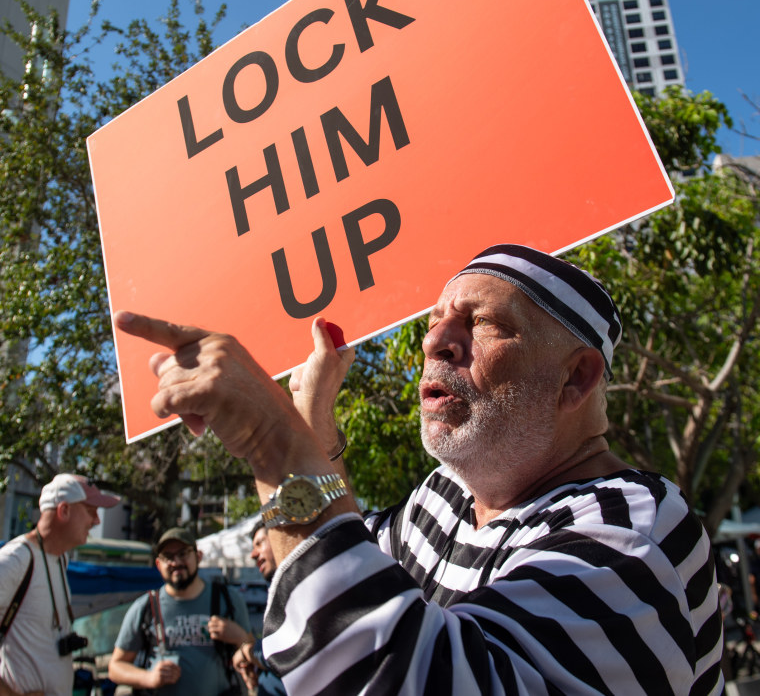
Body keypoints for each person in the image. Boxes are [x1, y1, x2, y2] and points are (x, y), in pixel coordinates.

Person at [116, 243, 724, 694]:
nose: (436, 342)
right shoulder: (444, 497)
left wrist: (274, 441)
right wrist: (311, 427)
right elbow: (335, 570)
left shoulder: (632, 526)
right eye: (436, 321)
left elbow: (393, 670)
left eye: (481, 322)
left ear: (576, 376)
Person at [0, 473, 120, 696]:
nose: (97, 521)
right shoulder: (15, 561)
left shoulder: (59, 558)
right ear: (64, 511)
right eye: (91, 511)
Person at [108, 526, 252, 695]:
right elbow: (115, 667)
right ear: (158, 564)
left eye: (183, 554)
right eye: (168, 557)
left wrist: (239, 637)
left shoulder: (228, 599)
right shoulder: (145, 607)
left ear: (198, 557)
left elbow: (251, 650)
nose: (176, 562)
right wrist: (149, 678)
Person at [232, 520, 285, 696]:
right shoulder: (277, 590)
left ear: (279, 538)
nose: (253, 554)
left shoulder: (297, 586)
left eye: (260, 543)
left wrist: (250, 652)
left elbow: (288, 648)